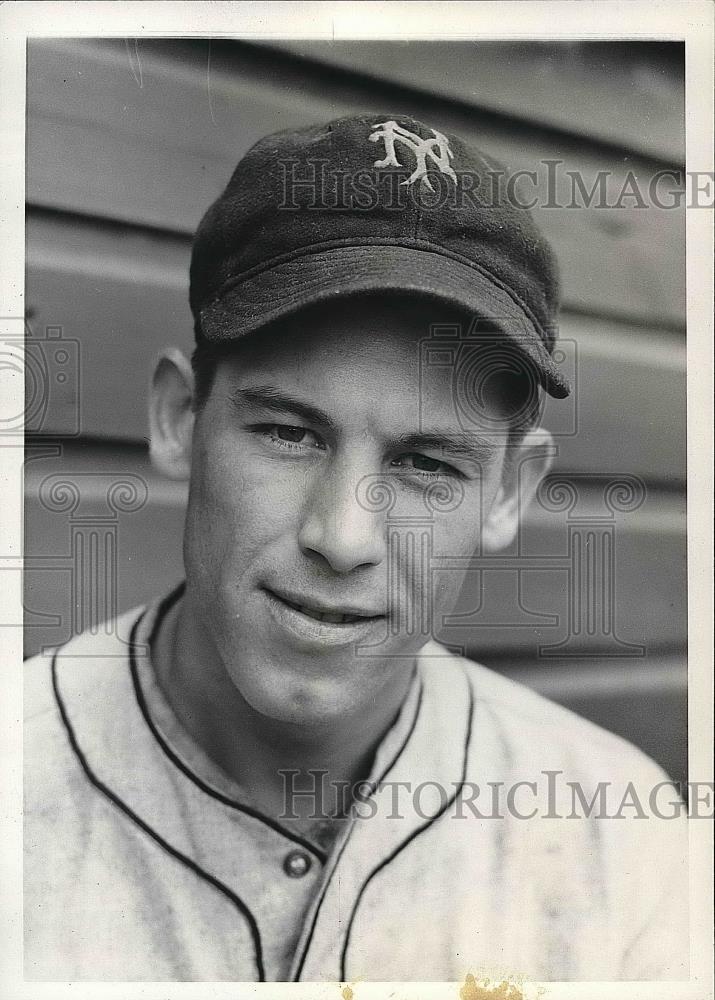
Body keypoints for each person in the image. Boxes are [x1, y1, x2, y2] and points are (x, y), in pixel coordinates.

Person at [24, 113, 688, 983]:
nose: (342, 537)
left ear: (507, 493)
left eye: (424, 462)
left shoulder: (617, 826)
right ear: (179, 419)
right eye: (287, 433)